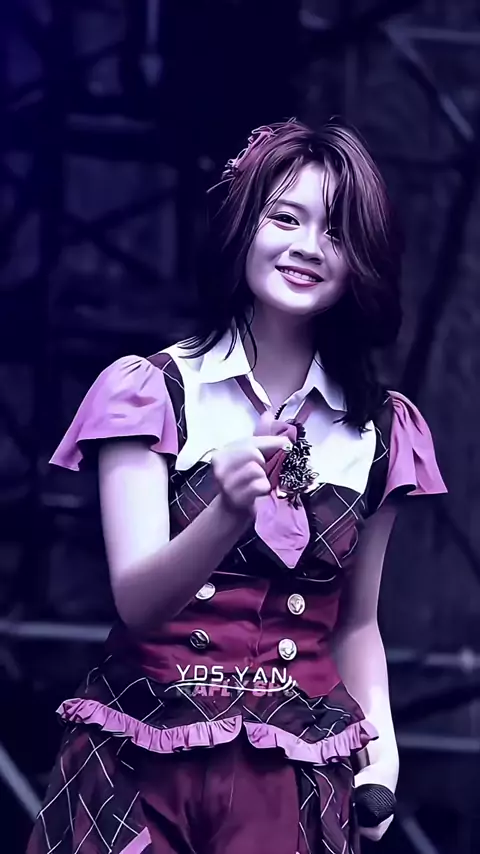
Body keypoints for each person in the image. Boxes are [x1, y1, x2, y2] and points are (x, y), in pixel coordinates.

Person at [27, 119, 446, 854]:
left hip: (290, 779)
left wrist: (383, 755)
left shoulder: (382, 430)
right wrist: (226, 511)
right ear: (242, 225)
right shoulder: (151, 390)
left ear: (364, 259)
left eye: (337, 231)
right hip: (138, 763)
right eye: (285, 217)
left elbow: (356, 624)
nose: (308, 246)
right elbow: (136, 599)